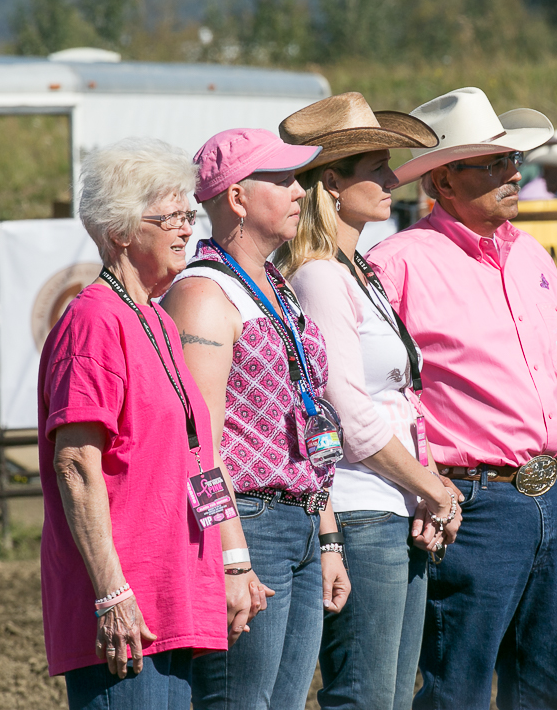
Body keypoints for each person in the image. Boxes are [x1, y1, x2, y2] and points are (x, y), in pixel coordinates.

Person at [367, 87, 557, 710]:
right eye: (490, 164)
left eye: (510, 160)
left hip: (550, 491)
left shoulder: (530, 254)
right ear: (443, 182)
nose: (512, 172)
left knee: (542, 681)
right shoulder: (397, 264)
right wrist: (422, 480)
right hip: (473, 500)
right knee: (459, 683)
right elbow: (379, 385)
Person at [38, 138, 263, 710]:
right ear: (121, 232)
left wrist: (228, 560)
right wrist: (112, 593)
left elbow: (197, 456)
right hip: (127, 614)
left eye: (188, 215)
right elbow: (77, 464)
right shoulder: (93, 321)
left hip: (173, 600)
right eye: (170, 218)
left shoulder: (157, 321)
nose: (188, 229)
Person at [274, 93, 460, 710]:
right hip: (361, 507)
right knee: (368, 698)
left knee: (386, 698)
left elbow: (394, 401)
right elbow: (348, 412)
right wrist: (431, 487)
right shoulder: (323, 276)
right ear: (332, 182)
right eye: (376, 168)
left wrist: (422, 484)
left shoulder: (356, 272)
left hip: (388, 500)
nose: (392, 179)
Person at [160, 128, 351, 710]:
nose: (301, 192)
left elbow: (306, 425)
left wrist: (326, 536)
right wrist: (231, 555)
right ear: (238, 199)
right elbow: (200, 443)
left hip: (293, 521)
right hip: (248, 522)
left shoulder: (277, 288)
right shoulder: (203, 294)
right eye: (283, 180)